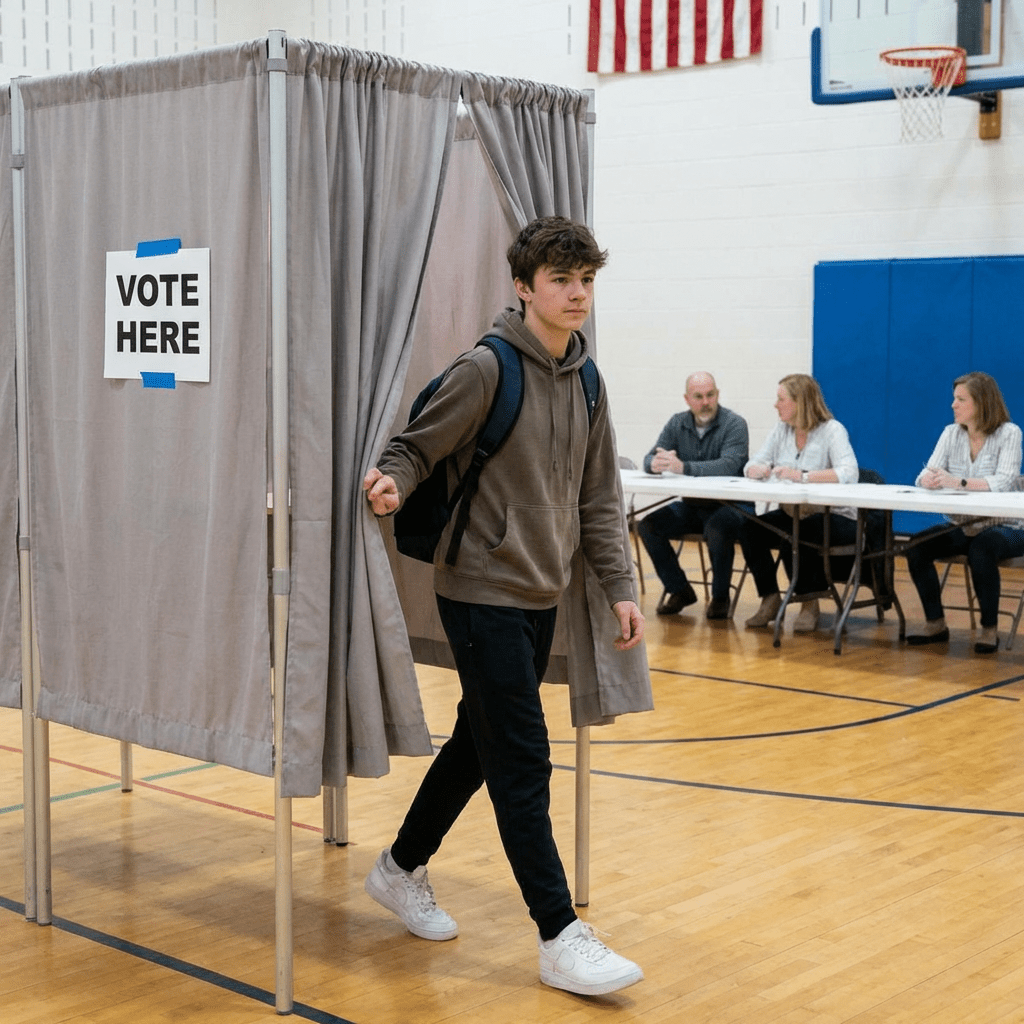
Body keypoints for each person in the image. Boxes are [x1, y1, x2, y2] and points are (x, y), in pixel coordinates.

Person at [362, 216, 645, 997]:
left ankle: (398, 867)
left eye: (586, 279)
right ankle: (559, 935)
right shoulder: (488, 368)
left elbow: (598, 497)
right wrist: (393, 478)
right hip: (478, 591)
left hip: (541, 592)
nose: (578, 293)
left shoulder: (588, 379)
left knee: (479, 745)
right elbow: (416, 445)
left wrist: (620, 587)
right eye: (561, 280)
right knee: (523, 758)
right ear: (525, 289)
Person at [728, 373, 859, 633]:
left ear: (800, 401)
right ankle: (770, 597)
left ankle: (809, 603)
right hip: (793, 511)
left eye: (781, 399)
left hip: (835, 517)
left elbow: (849, 472)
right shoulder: (781, 430)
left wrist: (804, 477)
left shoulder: (832, 430)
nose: (775, 404)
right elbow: (753, 462)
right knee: (749, 528)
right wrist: (758, 470)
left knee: (796, 533)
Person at [905, 371, 1024, 655]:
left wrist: (957, 482)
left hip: (1007, 527)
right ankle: (935, 623)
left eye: (960, 399)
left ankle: (989, 629)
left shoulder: (1009, 433)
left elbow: (1004, 481)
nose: (953, 405)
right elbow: (926, 471)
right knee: (916, 547)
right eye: (954, 398)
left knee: (982, 549)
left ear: (981, 403)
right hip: (965, 525)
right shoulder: (951, 433)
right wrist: (928, 480)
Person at [637, 373, 749, 619]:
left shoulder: (734, 424)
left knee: (718, 527)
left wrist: (683, 468)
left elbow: (729, 465)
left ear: (718, 395)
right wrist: (653, 464)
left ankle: (721, 597)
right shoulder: (677, 423)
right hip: (693, 505)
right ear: (687, 399)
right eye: (698, 397)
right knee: (648, 525)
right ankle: (680, 590)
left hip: (732, 506)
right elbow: (650, 455)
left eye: (710, 395)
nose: (705, 402)